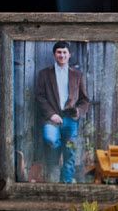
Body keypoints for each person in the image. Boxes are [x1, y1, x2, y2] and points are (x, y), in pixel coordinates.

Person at [36, 41, 90, 183]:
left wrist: (78, 111)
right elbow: (40, 96)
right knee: (51, 139)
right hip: (51, 118)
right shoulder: (44, 74)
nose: (62, 55)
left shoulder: (77, 75)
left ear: (69, 54)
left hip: (70, 120)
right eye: (59, 52)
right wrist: (51, 115)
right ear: (54, 54)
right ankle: (55, 164)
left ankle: (66, 182)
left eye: (64, 52)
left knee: (70, 149)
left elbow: (85, 99)